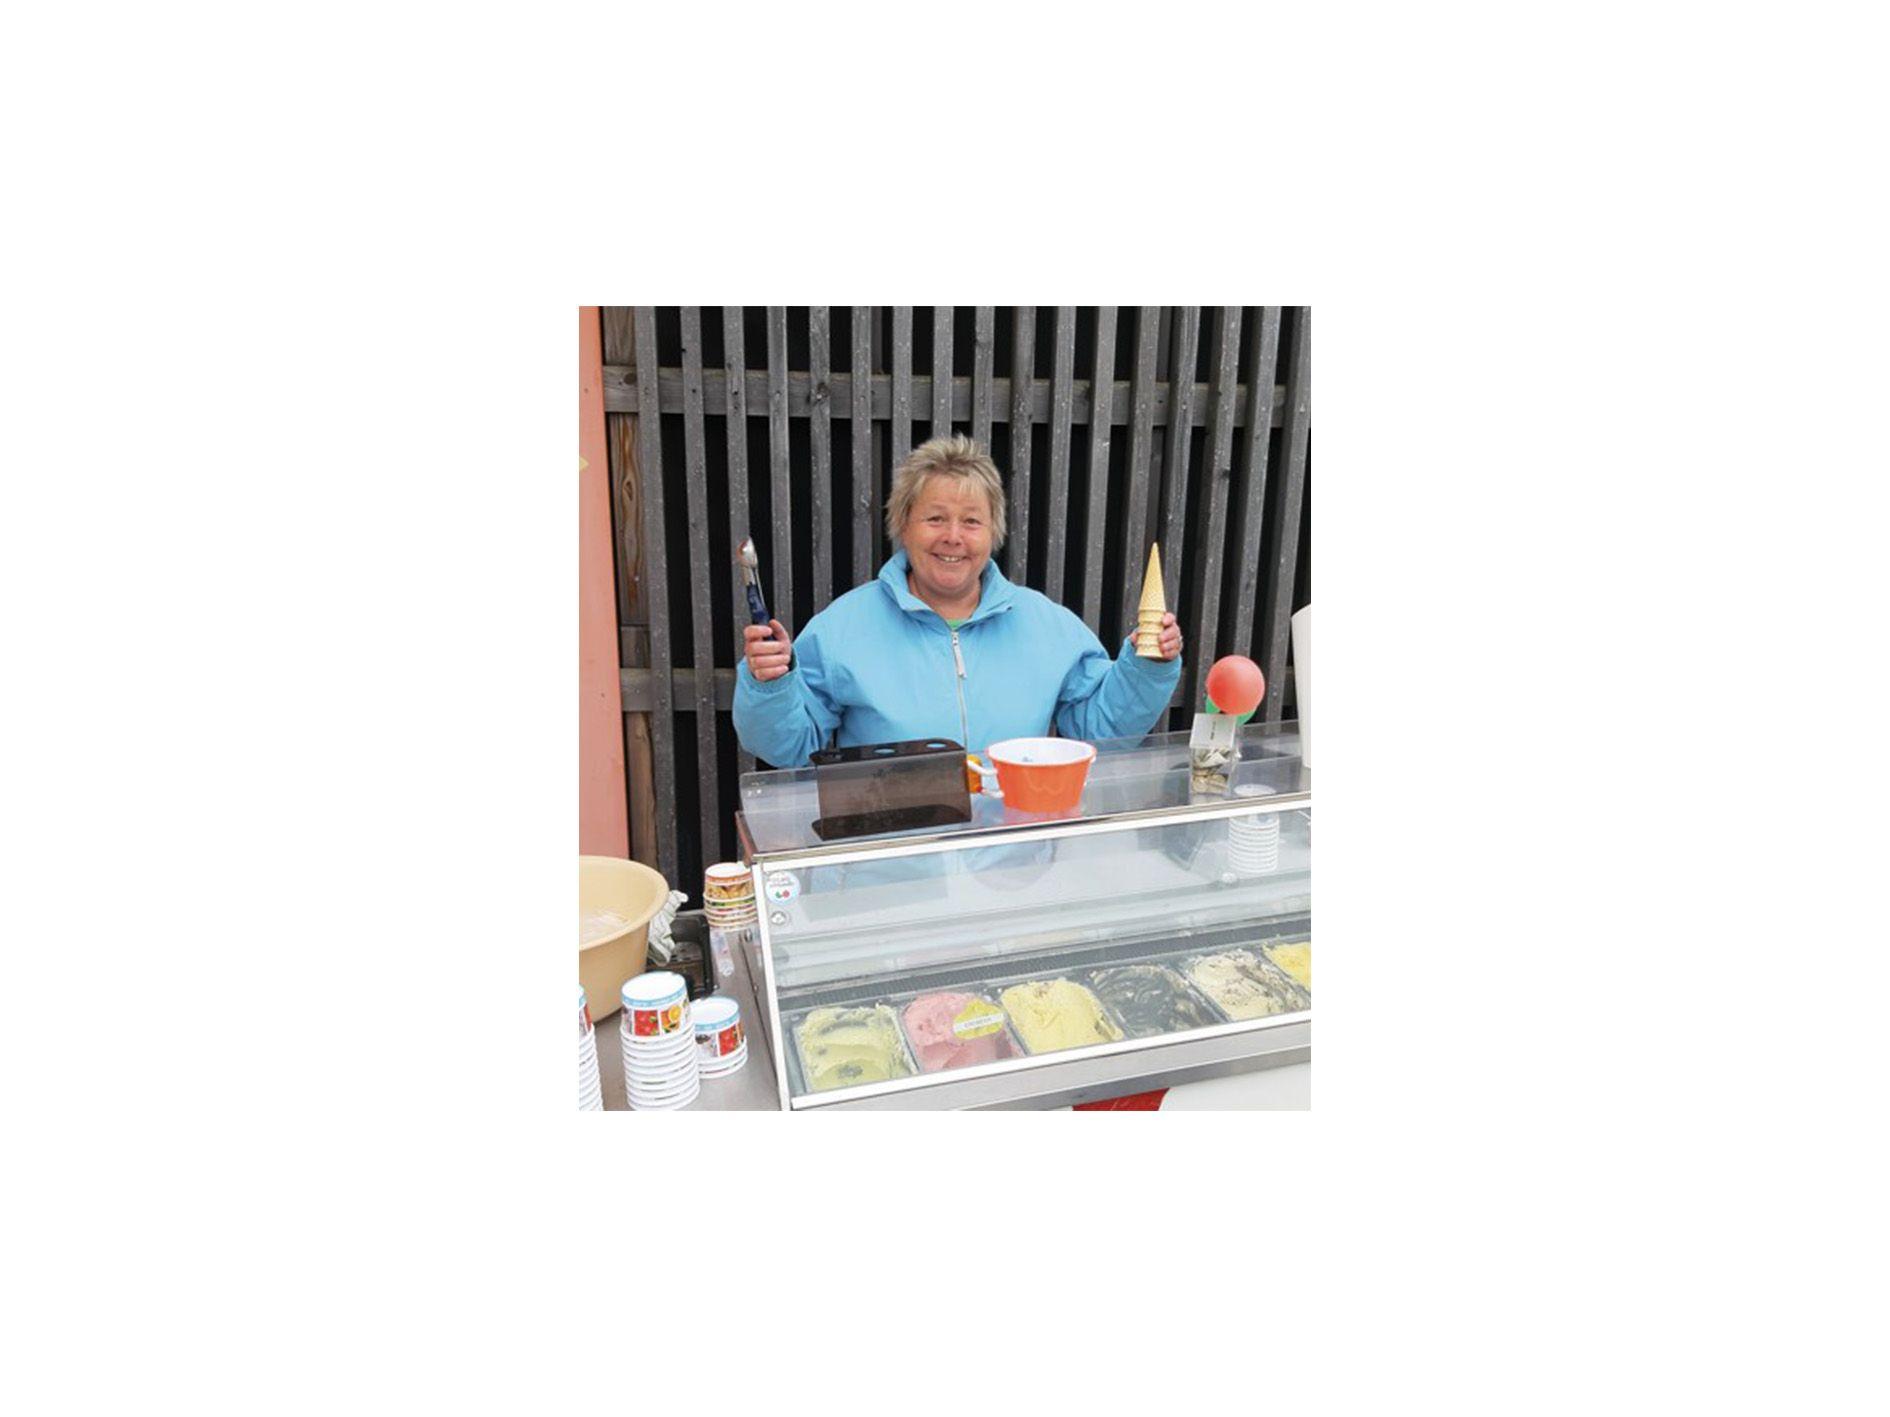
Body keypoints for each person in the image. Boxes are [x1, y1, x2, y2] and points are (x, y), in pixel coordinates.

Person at [733, 434, 1183, 767]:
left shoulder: (1048, 625)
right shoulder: (843, 628)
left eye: (971, 521)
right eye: (935, 518)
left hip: (1014, 852)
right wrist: (768, 684)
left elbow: (1100, 732)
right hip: (892, 856)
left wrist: (1148, 666)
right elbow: (789, 747)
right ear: (903, 526)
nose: (953, 537)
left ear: (992, 534)